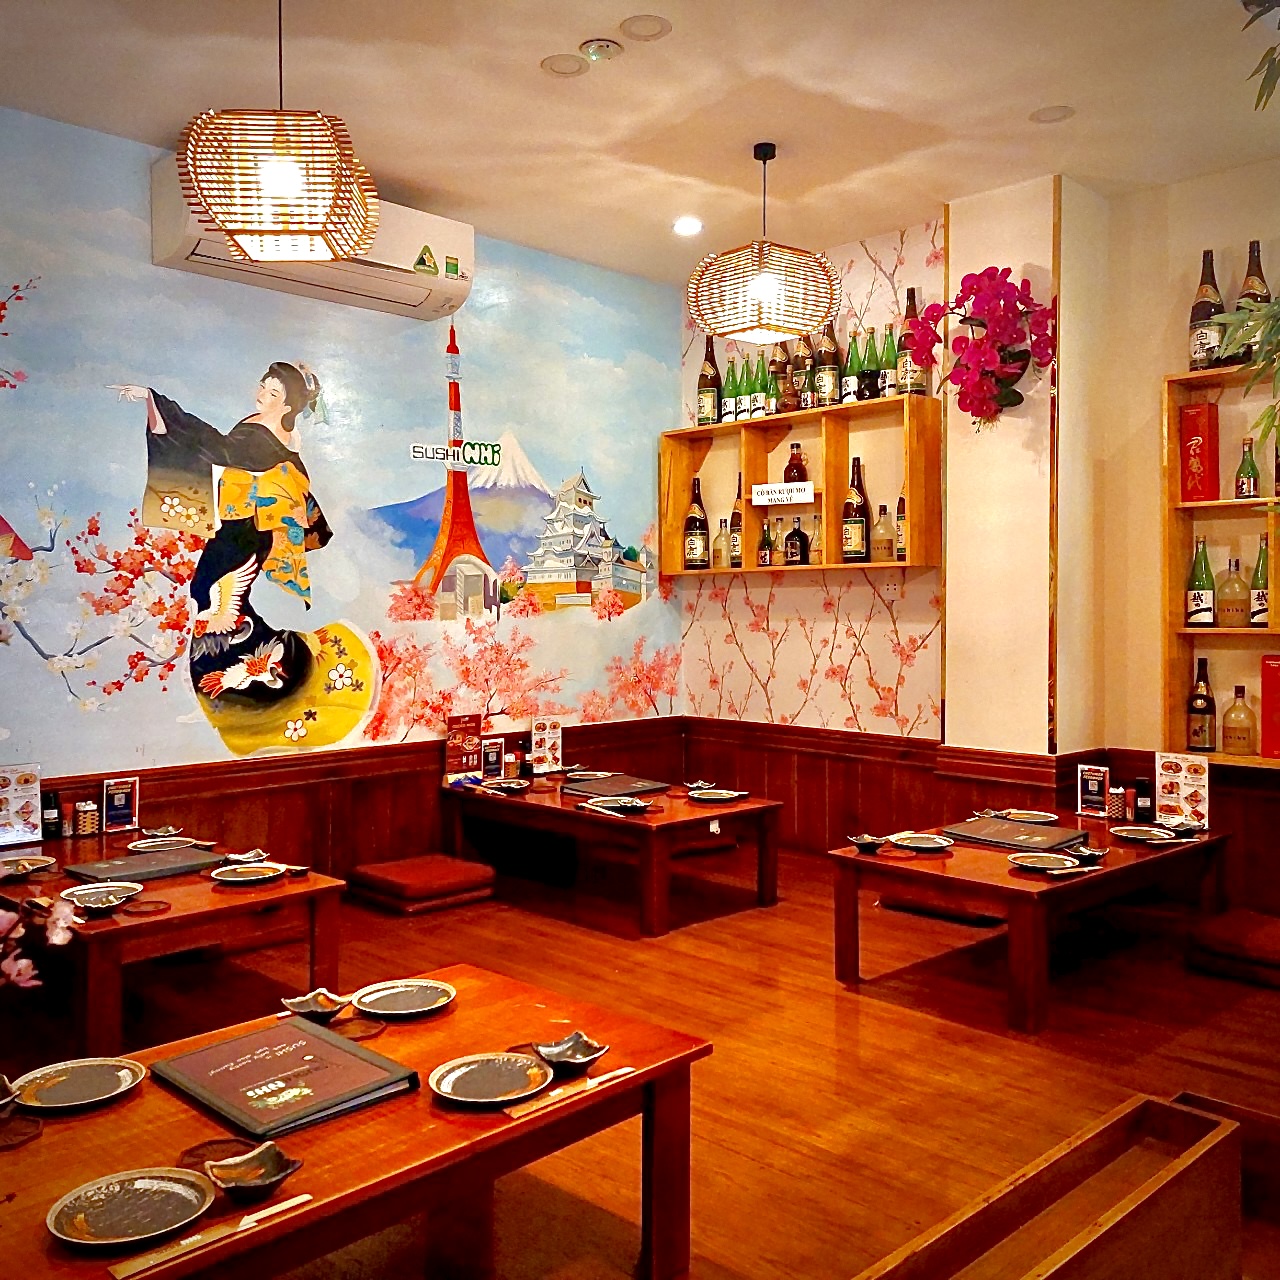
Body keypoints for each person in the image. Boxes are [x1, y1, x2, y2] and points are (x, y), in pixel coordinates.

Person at [109, 364, 377, 755]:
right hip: (241, 527)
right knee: (214, 601)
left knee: (209, 597)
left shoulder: (260, 433)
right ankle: (239, 679)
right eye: (263, 386)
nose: (262, 393)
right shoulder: (275, 431)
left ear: (287, 403)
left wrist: (158, 404)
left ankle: (264, 676)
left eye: (272, 392)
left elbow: (215, 448)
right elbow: (239, 458)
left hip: (247, 531)